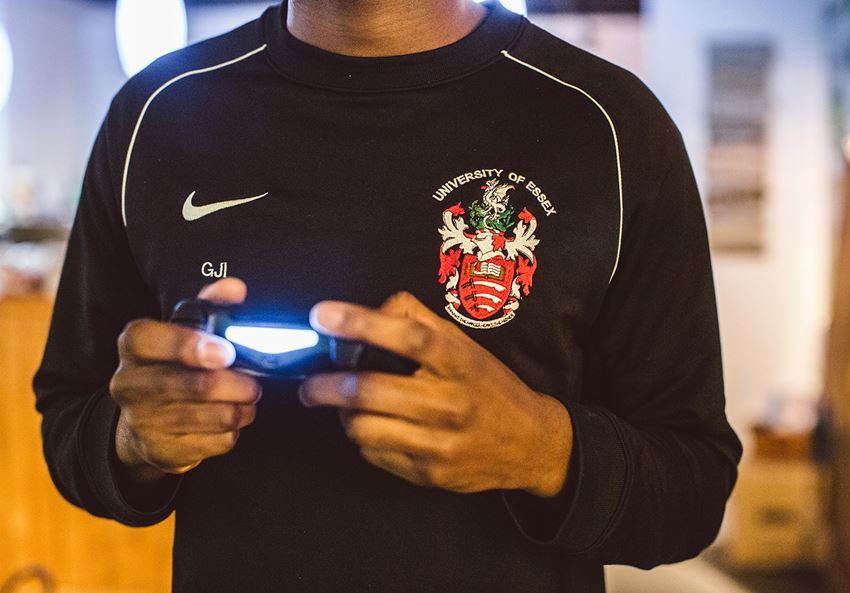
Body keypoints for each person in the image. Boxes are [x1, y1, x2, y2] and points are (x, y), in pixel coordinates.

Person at [32, 1, 742, 591]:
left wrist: (542, 448)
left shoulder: (611, 126)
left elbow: (693, 485)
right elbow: (70, 418)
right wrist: (134, 442)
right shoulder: (155, 114)